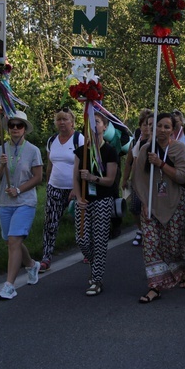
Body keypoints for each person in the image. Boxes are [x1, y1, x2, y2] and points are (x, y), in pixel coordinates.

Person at [132, 113, 185, 303]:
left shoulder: (179, 149)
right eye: (159, 126)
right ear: (152, 128)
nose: (162, 130)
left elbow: (183, 177)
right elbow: (138, 179)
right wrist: (144, 200)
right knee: (151, 244)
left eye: (167, 127)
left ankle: (182, 271)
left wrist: (161, 164)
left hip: (175, 203)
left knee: (174, 242)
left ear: (173, 130)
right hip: (152, 203)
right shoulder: (145, 149)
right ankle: (155, 285)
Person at [0, 111, 43, 300]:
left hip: (25, 201)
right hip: (5, 202)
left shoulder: (33, 150)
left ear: (24, 129)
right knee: (10, 241)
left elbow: (38, 177)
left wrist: (19, 190)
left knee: (13, 241)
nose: (14, 128)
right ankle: (31, 264)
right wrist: (2, 166)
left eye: (19, 125)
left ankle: (9, 285)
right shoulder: (0, 150)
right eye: (11, 125)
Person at [73, 112, 119, 296]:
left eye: (97, 122)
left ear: (105, 126)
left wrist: (93, 178)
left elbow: (110, 180)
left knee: (99, 241)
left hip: (102, 200)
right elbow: (75, 179)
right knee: (82, 239)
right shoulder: (80, 151)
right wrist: (78, 198)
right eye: (90, 123)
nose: (94, 126)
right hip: (84, 201)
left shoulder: (110, 151)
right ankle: (96, 265)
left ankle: (97, 279)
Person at [40, 107, 84, 273]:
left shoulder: (79, 139)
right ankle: (46, 257)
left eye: (65, 119)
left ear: (72, 121)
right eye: (59, 119)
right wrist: (47, 183)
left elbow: (84, 165)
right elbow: (50, 165)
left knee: (82, 222)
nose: (62, 122)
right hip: (55, 187)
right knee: (50, 223)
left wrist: (76, 187)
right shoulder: (52, 140)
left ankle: (87, 251)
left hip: (75, 189)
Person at [121, 109, 153, 247]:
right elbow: (129, 161)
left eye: (149, 124)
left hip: (150, 180)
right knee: (134, 207)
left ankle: (149, 232)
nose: (146, 127)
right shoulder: (136, 142)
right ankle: (140, 229)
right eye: (144, 125)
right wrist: (125, 178)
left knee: (148, 208)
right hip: (136, 180)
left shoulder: (155, 142)